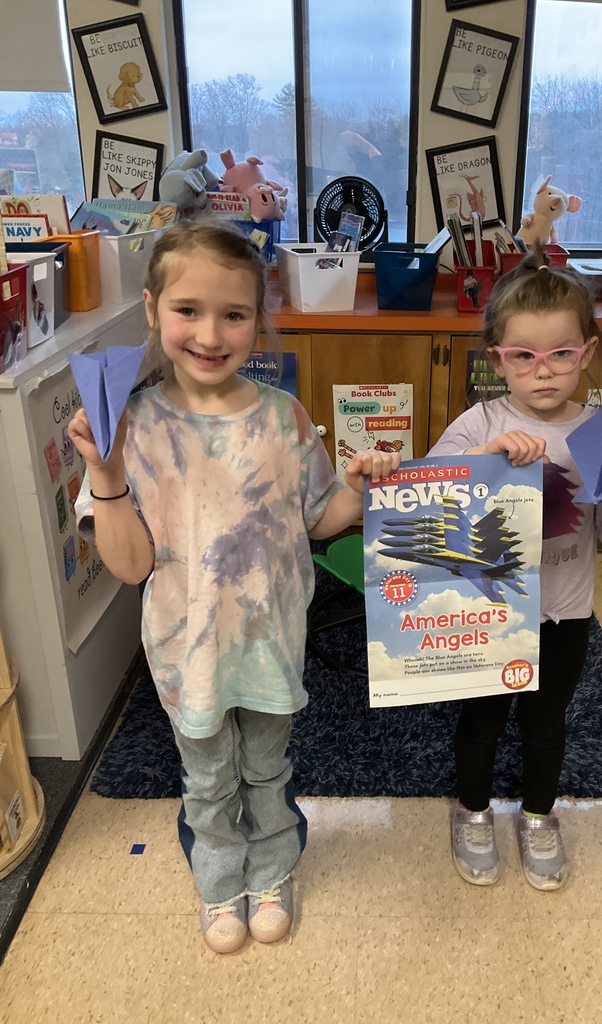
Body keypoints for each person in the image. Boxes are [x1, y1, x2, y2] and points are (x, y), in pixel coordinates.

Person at [69, 220, 400, 953]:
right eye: (188, 310)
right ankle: (220, 879)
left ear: (259, 320)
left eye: (234, 314)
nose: (210, 334)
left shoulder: (283, 419)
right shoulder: (130, 426)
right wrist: (106, 473)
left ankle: (273, 868)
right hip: (187, 651)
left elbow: (319, 522)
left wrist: (353, 487)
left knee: (268, 769)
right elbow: (127, 565)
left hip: (270, 640)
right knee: (208, 777)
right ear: (152, 309)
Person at [428, 245, 602, 891]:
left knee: (546, 721)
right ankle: (471, 811)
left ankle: (536, 815)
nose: (544, 372)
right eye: (523, 356)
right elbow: (431, 497)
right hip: (489, 608)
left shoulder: (601, 433)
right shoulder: (482, 419)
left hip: (566, 612)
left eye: (561, 354)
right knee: (483, 718)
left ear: (585, 352)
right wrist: (489, 455)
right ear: (497, 357)